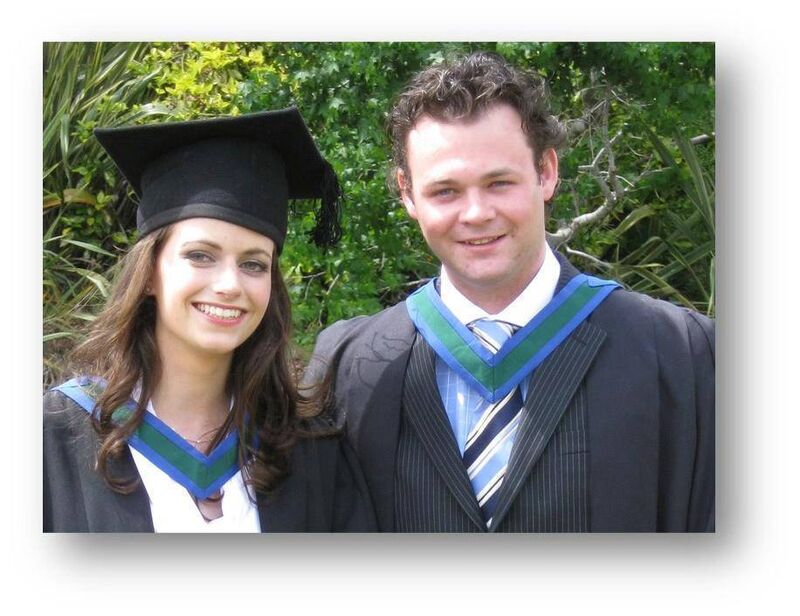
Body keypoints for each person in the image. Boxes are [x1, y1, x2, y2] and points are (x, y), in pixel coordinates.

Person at [307, 52, 714, 532]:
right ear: (406, 192)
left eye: (499, 182)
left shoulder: (681, 354)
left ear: (547, 171)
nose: (476, 213)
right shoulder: (349, 368)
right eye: (445, 191)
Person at [44, 108, 376, 532]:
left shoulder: (310, 448)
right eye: (200, 256)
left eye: (254, 264)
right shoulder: (52, 439)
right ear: (149, 273)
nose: (229, 285)